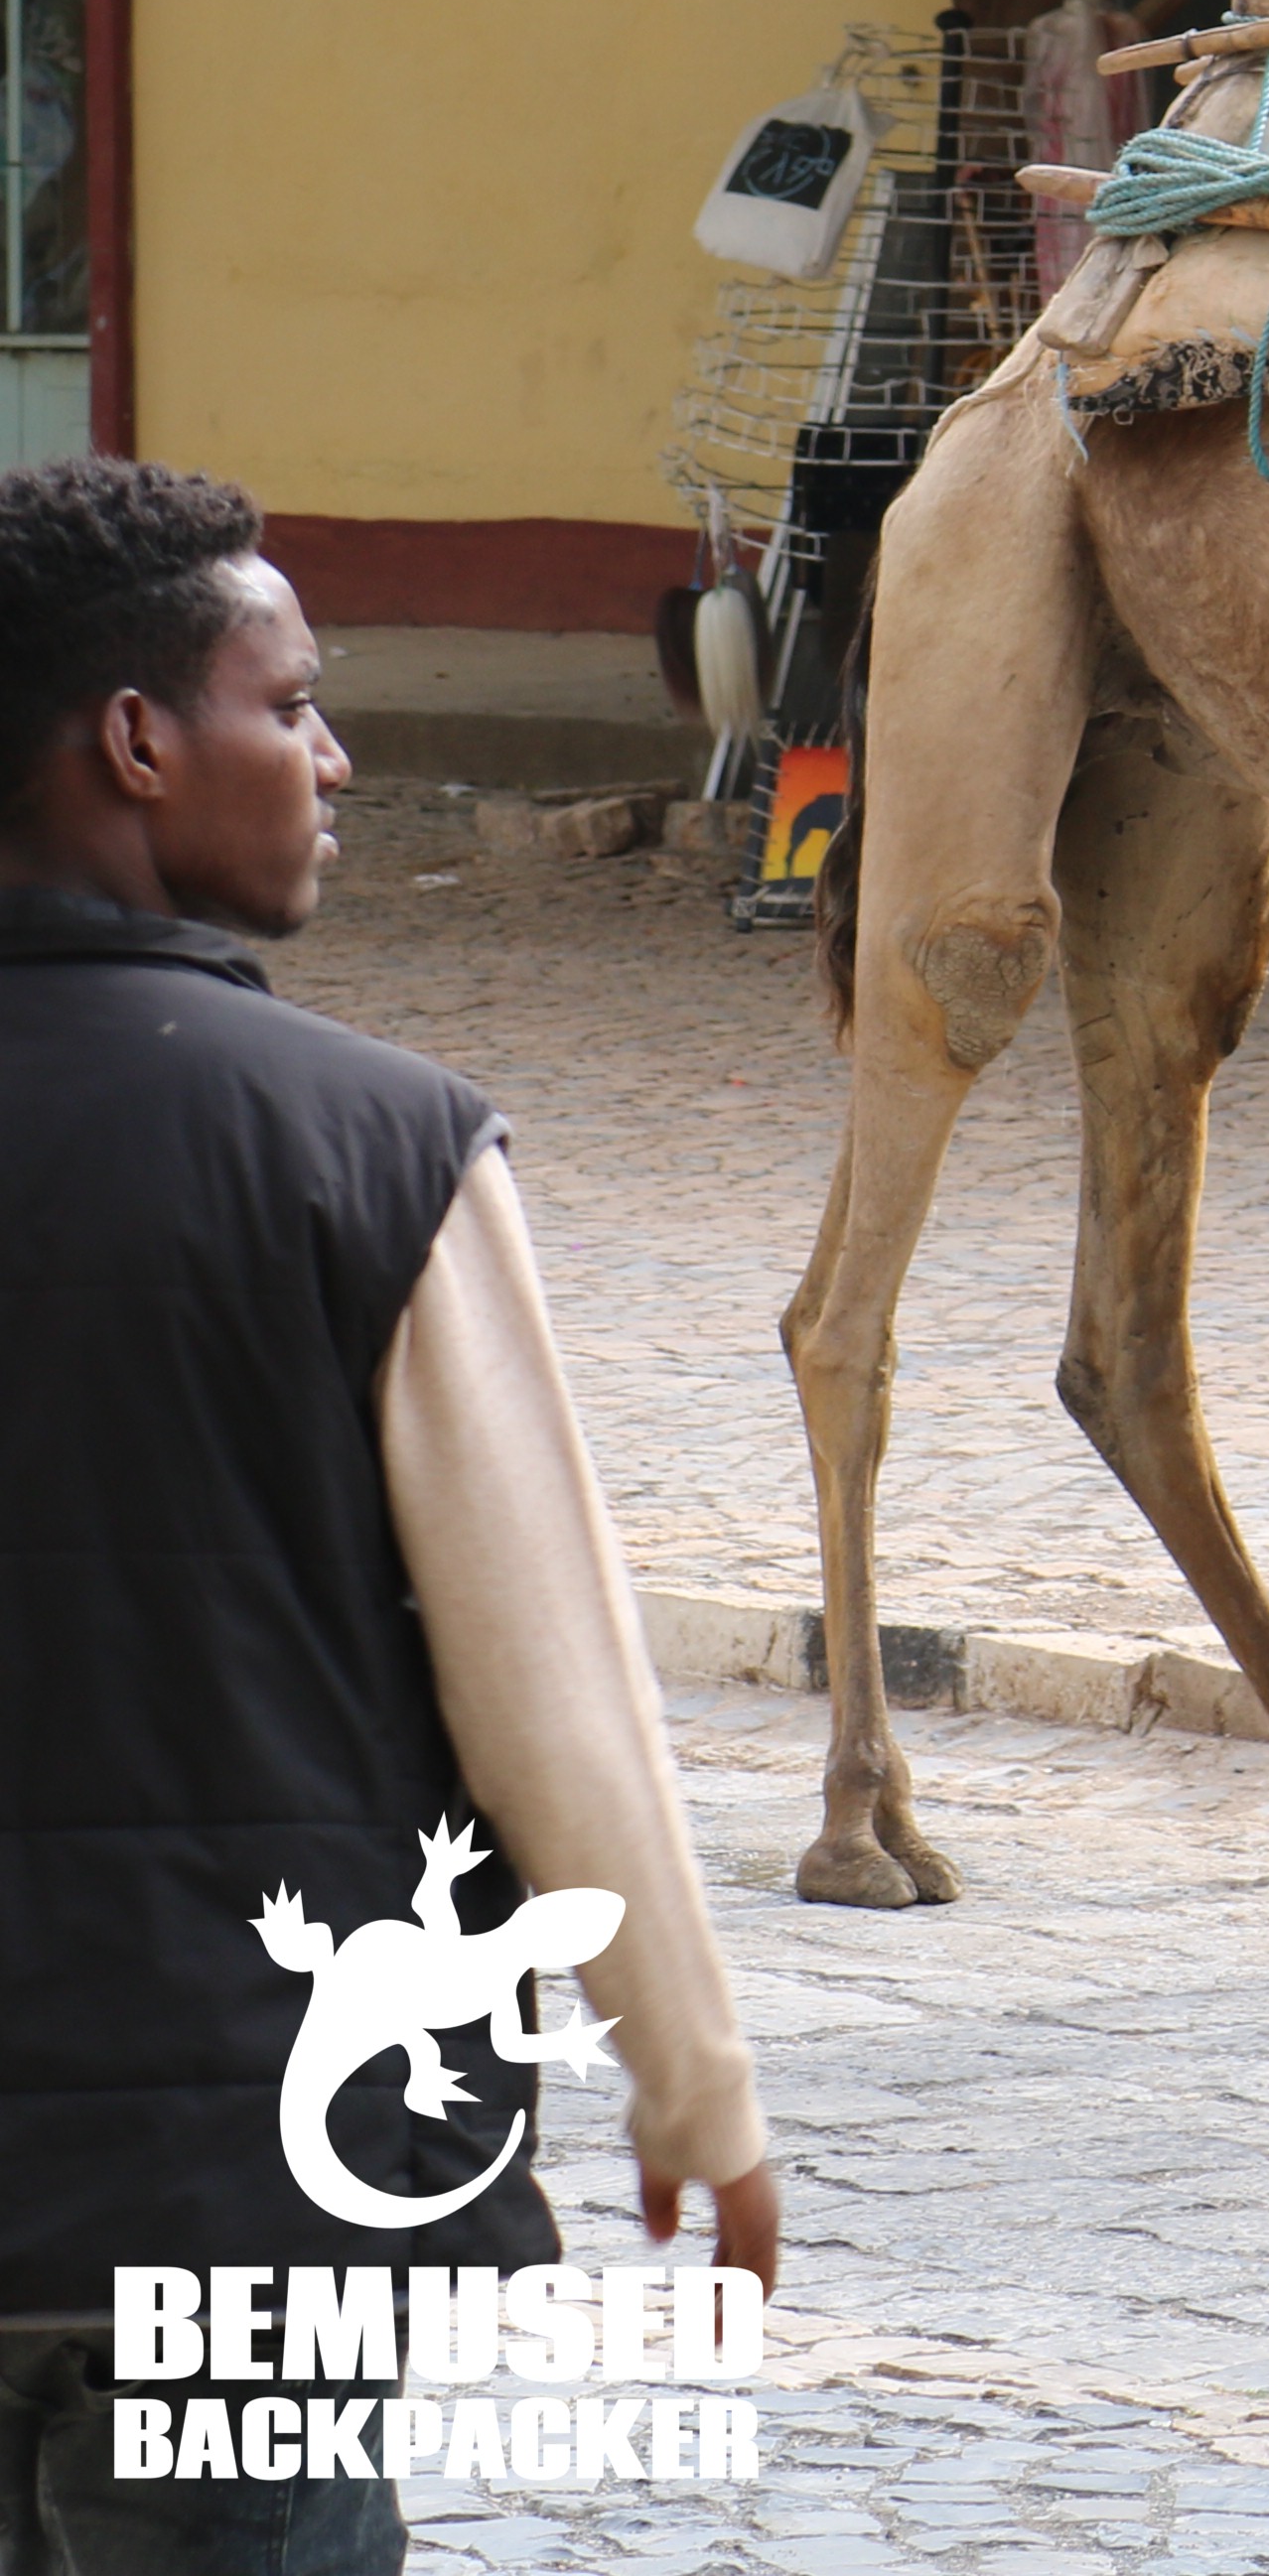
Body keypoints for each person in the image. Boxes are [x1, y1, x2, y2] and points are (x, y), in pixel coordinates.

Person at [0, 461, 777, 2565]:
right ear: (140, 741)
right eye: (293, 703)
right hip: (254, 2176)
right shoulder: (378, 1149)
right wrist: (691, 2071)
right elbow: (556, 1687)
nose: (336, 758)